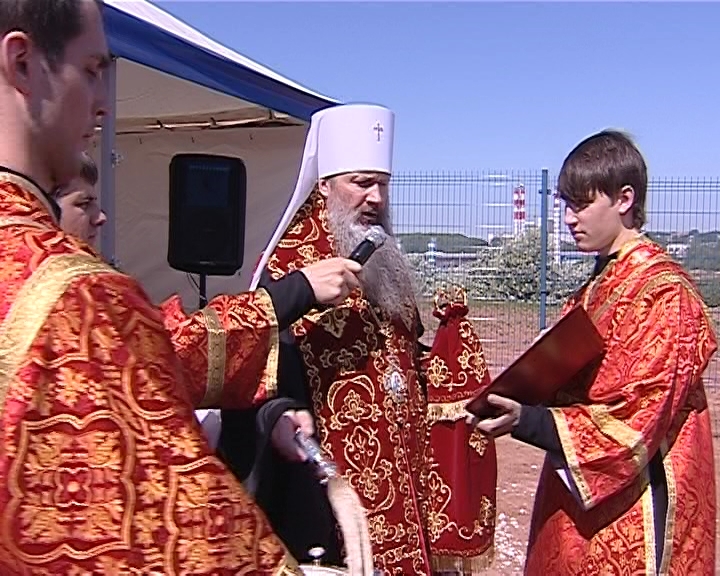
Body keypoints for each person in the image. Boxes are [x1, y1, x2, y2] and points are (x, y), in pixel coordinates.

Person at [0, 1, 363, 573]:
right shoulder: (68, 294)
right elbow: (180, 539)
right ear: (21, 61)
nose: (103, 103)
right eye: (92, 70)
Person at [219, 103, 498, 575]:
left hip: (407, 475)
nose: (376, 198)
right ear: (325, 185)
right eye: (362, 183)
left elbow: (402, 354)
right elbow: (259, 379)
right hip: (332, 490)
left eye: (383, 184)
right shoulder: (288, 268)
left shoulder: (384, 257)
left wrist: (450, 359)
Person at [473, 130, 717, 575]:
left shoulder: (664, 293)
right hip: (578, 493)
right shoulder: (599, 283)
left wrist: (531, 421)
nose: (569, 218)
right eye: (565, 205)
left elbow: (638, 416)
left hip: (637, 502)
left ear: (624, 199)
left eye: (581, 204)